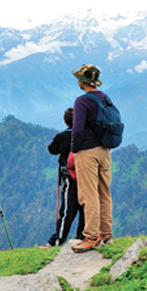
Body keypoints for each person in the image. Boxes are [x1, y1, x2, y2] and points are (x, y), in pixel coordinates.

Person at [70, 64, 113, 253]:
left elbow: (77, 129)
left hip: (88, 152)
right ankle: (105, 233)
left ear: (82, 81)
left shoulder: (82, 101)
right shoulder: (105, 98)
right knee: (104, 192)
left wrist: (75, 150)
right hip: (105, 151)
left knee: (89, 194)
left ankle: (91, 236)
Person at [39, 108, 84, 248]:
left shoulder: (61, 136)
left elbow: (52, 150)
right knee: (85, 208)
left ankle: (57, 240)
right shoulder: (84, 135)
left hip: (69, 176)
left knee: (67, 211)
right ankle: (83, 235)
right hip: (85, 175)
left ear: (66, 121)